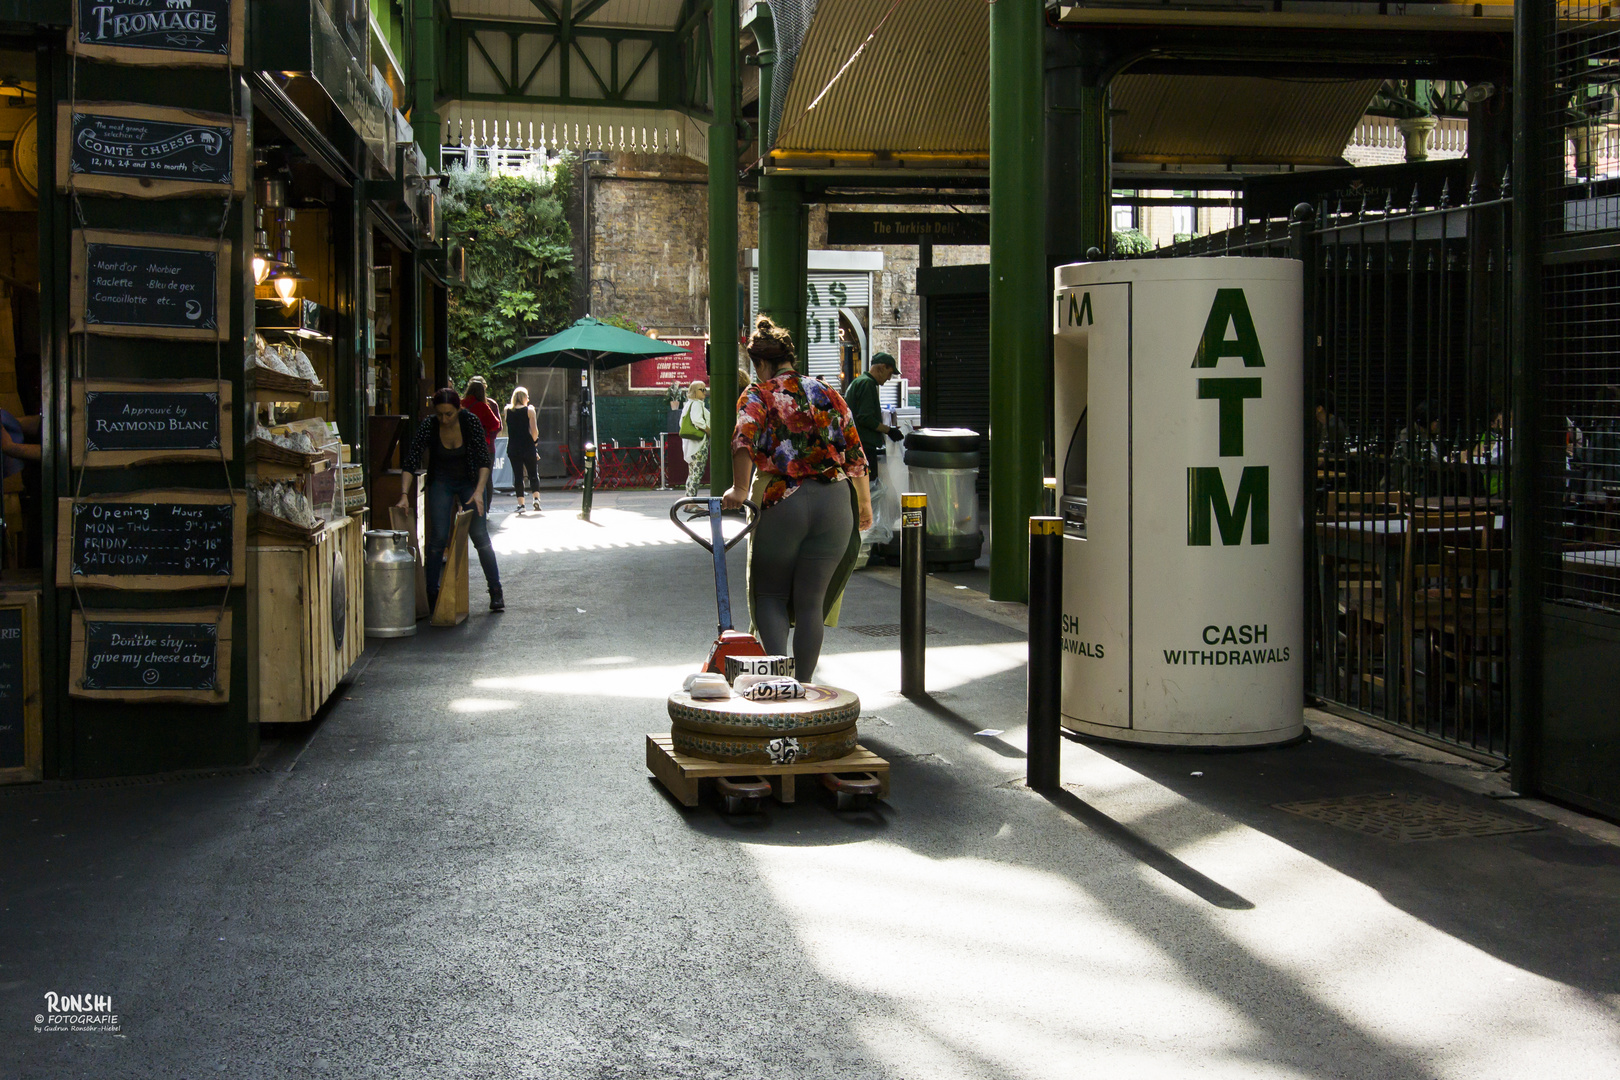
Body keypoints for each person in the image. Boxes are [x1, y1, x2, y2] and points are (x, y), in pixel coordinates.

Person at [722, 315, 873, 683]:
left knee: (770, 595)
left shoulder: (758, 393)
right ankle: (803, 687)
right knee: (811, 603)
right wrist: (865, 506)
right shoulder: (828, 392)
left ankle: (779, 686)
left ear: (760, 363)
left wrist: (740, 491)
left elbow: (743, 437)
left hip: (782, 501)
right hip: (836, 503)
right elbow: (855, 453)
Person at [400, 388, 504, 613]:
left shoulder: (470, 422)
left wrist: (478, 491)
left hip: (470, 481)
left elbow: (484, 461)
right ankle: (432, 594)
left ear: (459, 409)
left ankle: (495, 590)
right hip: (442, 481)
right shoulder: (430, 425)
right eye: (440, 414)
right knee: (437, 538)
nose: (444, 419)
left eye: (449, 414)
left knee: (479, 535)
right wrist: (403, 495)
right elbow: (411, 460)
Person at [842, 353, 904, 480]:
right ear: (882, 367)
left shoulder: (859, 382)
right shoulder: (867, 384)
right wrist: (889, 430)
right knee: (871, 486)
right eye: (890, 373)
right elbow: (865, 418)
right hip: (864, 445)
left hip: (855, 444)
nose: (889, 378)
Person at [505, 386, 541, 513]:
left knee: (518, 476)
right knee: (533, 474)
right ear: (524, 398)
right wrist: (535, 443)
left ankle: (521, 505)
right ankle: (536, 499)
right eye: (527, 396)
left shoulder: (507, 410)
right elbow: (534, 431)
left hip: (513, 447)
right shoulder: (529, 411)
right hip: (528, 446)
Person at [679, 380, 710, 504]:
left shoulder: (688, 404)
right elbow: (697, 420)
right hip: (698, 445)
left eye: (705, 389)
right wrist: (708, 431)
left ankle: (688, 502)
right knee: (696, 474)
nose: (704, 392)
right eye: (701, 389)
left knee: (692, 474)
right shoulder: (696, 404)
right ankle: (691, 503)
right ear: (694, 392)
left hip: (690, 447)